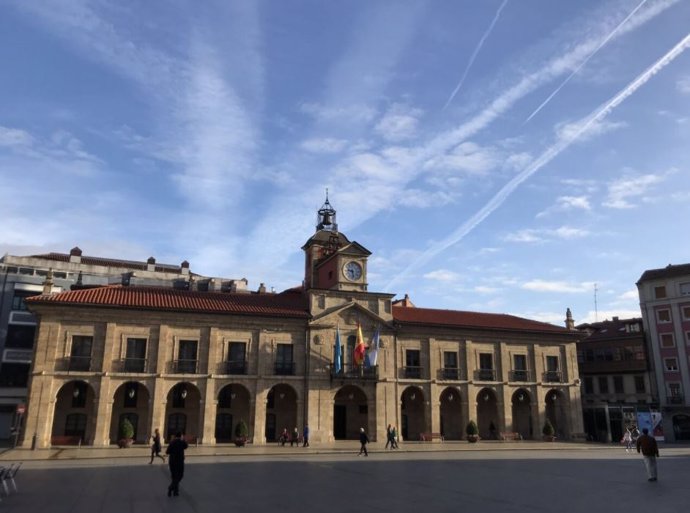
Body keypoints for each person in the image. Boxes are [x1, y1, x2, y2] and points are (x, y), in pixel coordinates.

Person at [166, 432, 188, 497]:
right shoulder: (181, 442)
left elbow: (167, 452)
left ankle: (175, 492)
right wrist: (184, 440)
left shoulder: (172, 442)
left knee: (174, 477)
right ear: (181, 436)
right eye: (182, 436)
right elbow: (186, 446)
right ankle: (171, 487)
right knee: (180, 475)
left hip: (172, 462)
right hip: (179, 462)